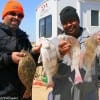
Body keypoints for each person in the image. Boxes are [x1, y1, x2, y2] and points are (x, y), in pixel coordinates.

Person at [48, 6, 100, 100]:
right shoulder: (55, 43)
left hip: (88, 96)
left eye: (72, 20)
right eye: (65, 23)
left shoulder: (92, 40)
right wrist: (59, 54)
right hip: (62, 96)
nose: (69, 25)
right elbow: (48, 67)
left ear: (78, 20)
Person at [0, 0, 41, 100]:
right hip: (4, 94)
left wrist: (34, 53)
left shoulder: (24, 37)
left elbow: (31, 62)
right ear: (4, 15)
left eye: (20, 15)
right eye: (13, 13)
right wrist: (9, 58)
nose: (16, 17)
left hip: (24, 94)